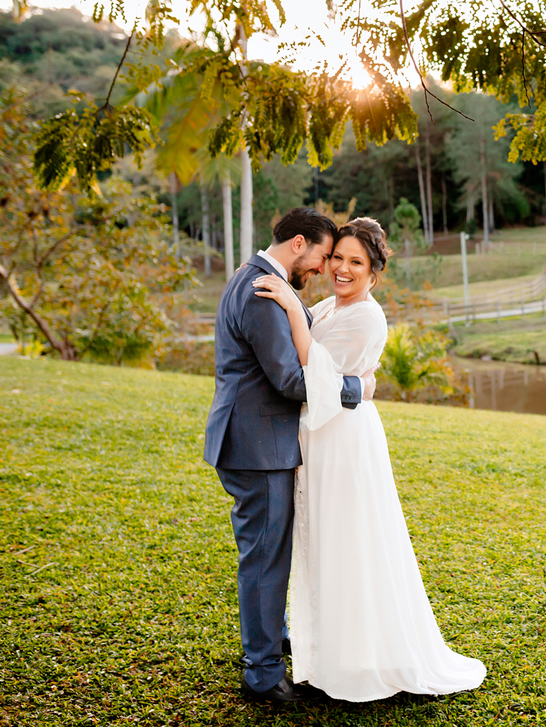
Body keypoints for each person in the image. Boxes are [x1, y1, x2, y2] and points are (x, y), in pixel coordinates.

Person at [252, 217, 485, 702]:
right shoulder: (333, 307)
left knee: (348, 543)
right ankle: (329, 657)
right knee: (326, 546)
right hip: (322, 441)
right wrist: (295, 302)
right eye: (336, 257)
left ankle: (356, 667)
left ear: (374, 273)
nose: (340, 268)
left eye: (355, 262)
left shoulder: (365, 316)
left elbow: (310, 371)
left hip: (344, 443)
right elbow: (317, 354)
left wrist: (293, 314)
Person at [204, 208, 374, 704]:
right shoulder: (260, 290)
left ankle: (273, 641)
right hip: (256, 445)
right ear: (299, 243)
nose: (323, 268)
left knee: (268, 553)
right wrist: (356, 388)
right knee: (263, 559)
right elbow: (288, 379)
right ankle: (261, 672)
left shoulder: (256, 278)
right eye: (323, 256)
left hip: (257, 440)